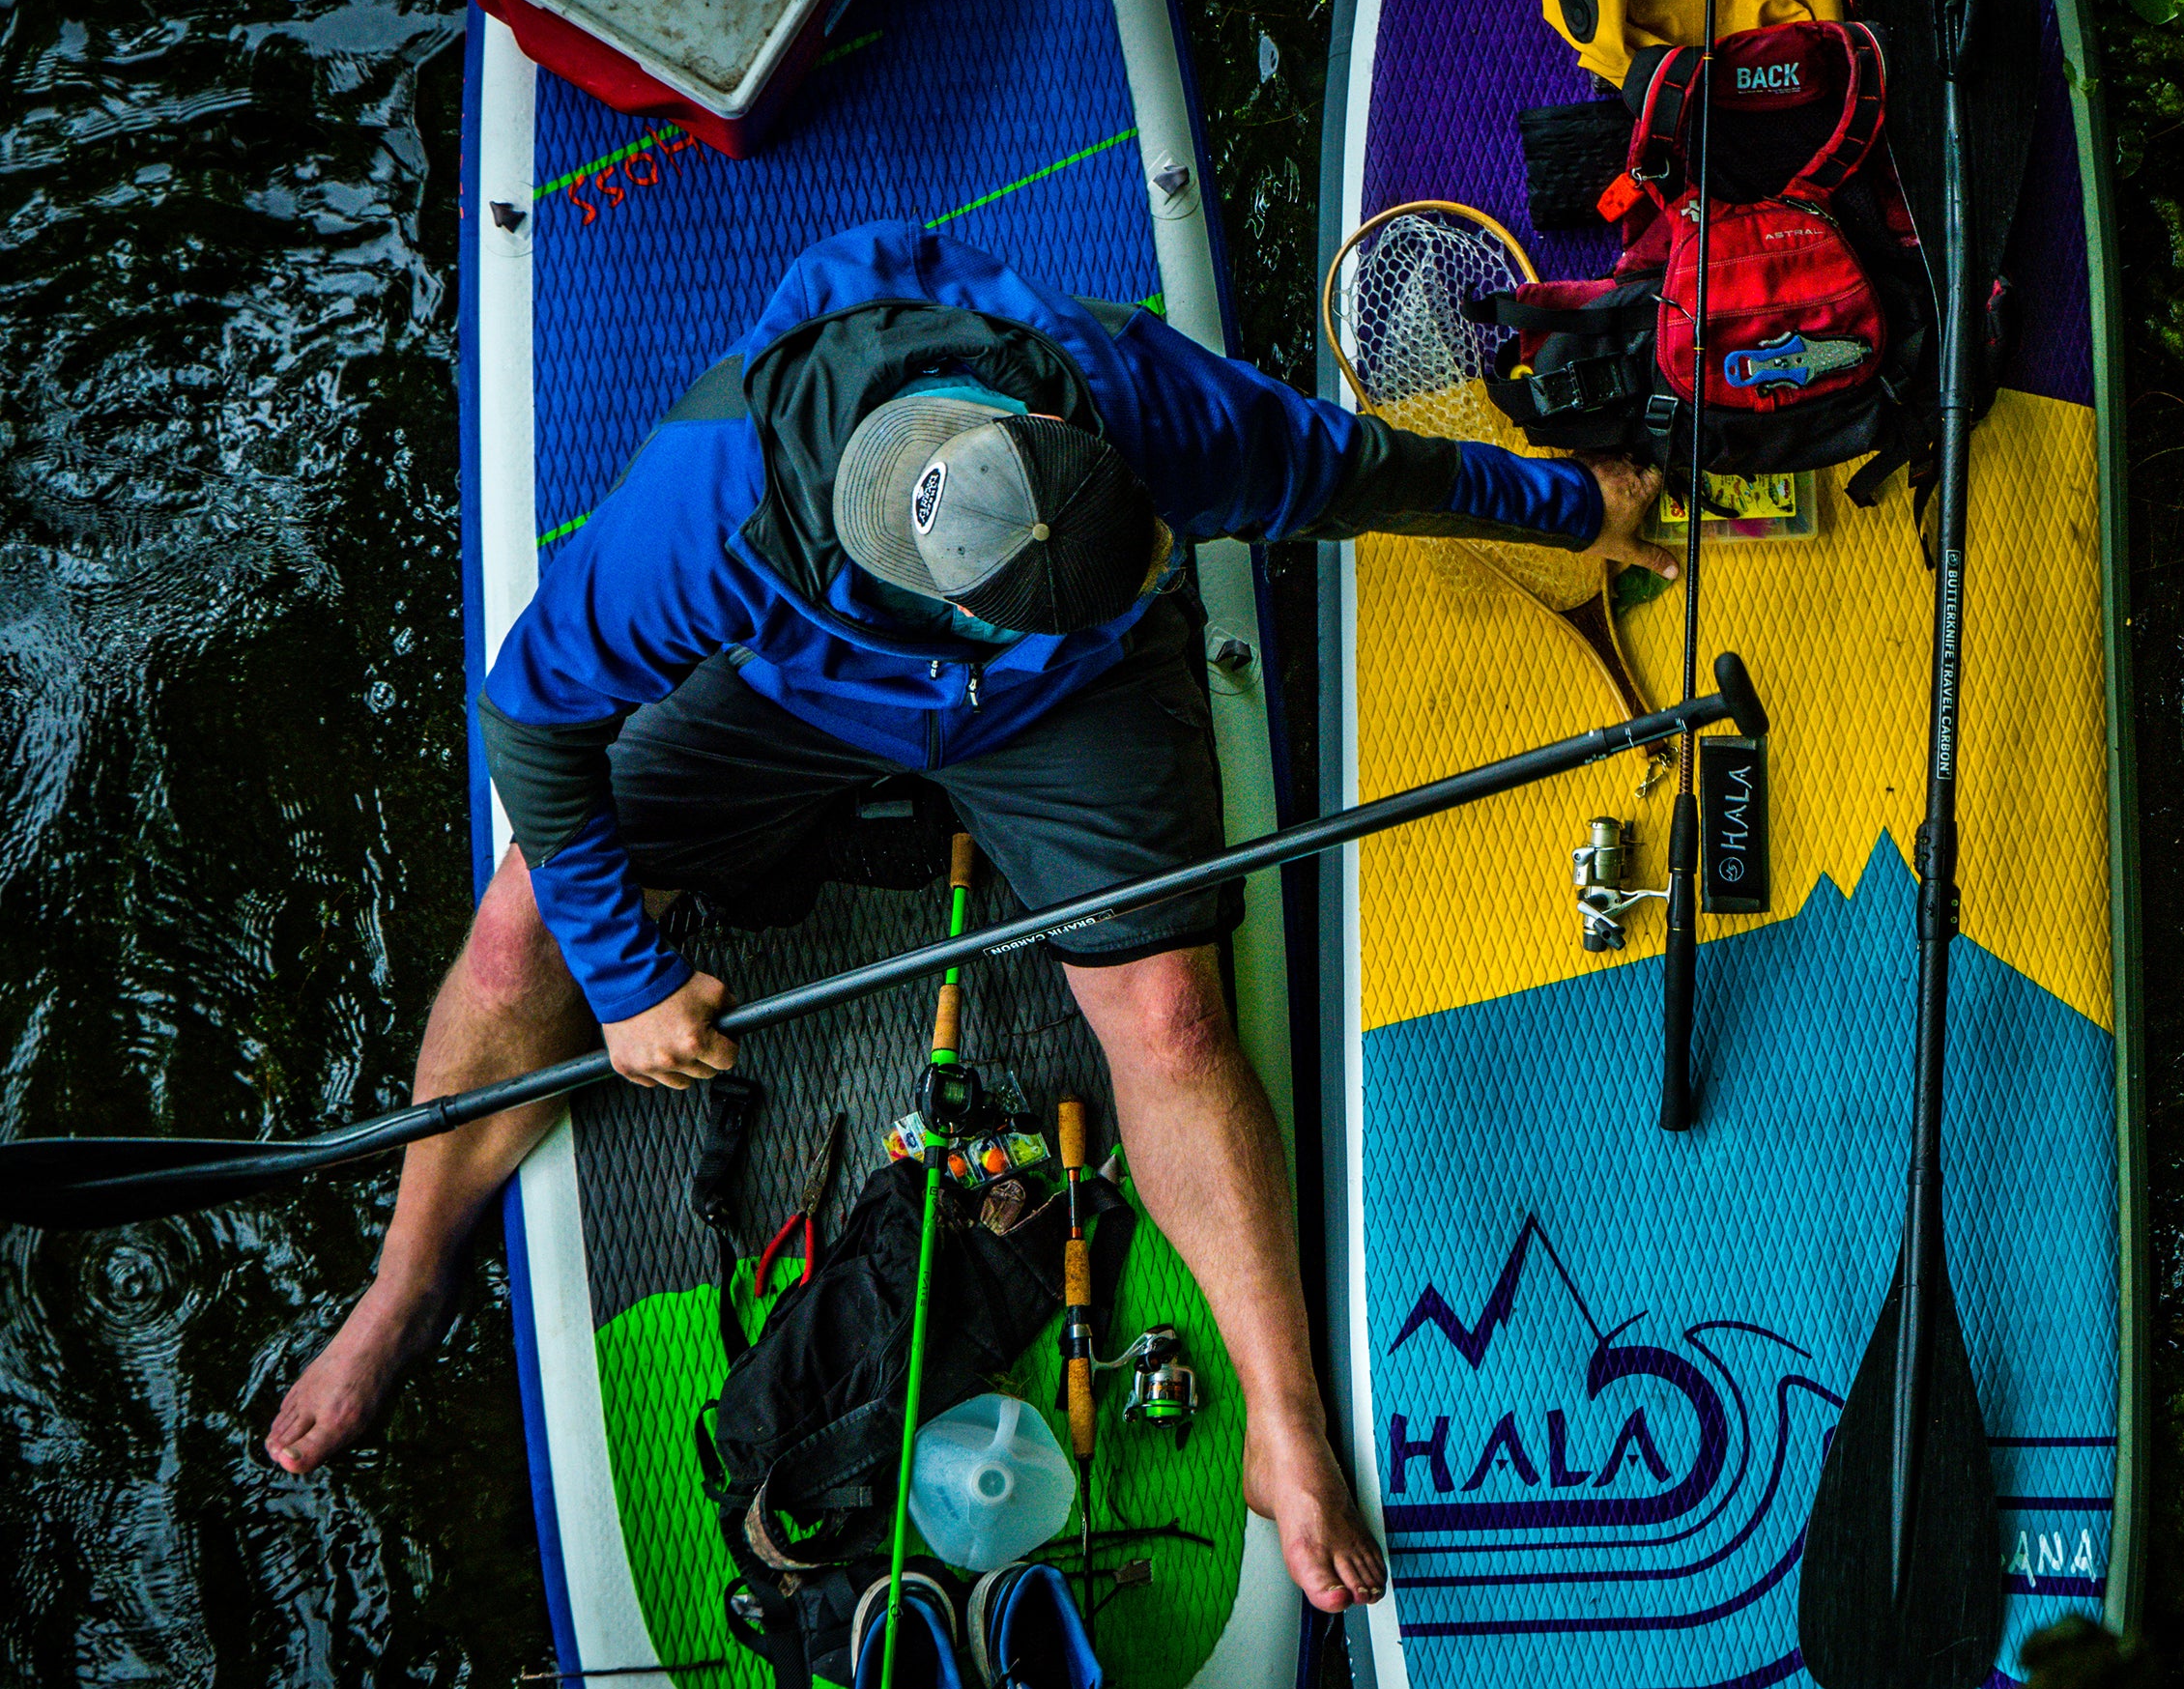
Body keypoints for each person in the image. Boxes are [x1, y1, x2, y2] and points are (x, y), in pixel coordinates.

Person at [262, 221, 1672, 1614]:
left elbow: (1344, 468)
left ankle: (1283, 1425)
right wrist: (629, 981)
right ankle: (407, 1276)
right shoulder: (709, 505)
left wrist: (1573, 507)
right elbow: (533, 709)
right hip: (801, 687)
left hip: (1071, 701)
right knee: (525, 929)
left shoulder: (1134, 399)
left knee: (1173, 1013)